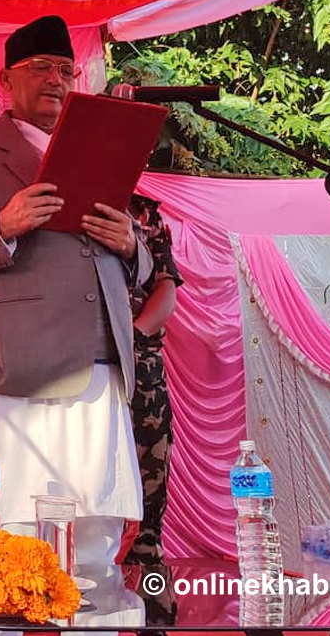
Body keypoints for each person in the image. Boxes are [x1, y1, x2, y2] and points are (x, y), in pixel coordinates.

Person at [0, 15, 151, 568]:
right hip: (25, 366)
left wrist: (131, 245)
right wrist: (4, 223)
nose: (57, 79)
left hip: (102, 364)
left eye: (67, 70)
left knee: (95, 532)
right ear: (7, 80)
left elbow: (139, 265)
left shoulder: (100, 148)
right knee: (9, 536)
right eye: (41, 67)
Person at [123, 193, 183, 564]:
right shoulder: (59, 194)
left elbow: (166, 286)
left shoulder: (144, 211)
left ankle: (149, 600)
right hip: (73, 362)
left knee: (150, 476)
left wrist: (133, 336)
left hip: (139, 360)